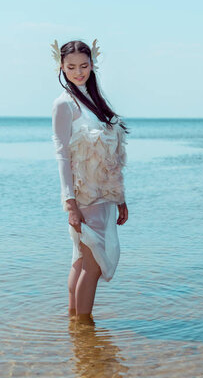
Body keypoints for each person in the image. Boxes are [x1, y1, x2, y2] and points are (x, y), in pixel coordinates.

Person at [51, 39, 129, 323]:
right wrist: (69, 202)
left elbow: (111, 154)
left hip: (104, 195)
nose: (78, 72)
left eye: (83, 66)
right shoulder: (64, 104)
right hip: (84, 196)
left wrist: (120, 197)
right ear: (61, 66)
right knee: (92, 265)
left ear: (92, 64)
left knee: (83, 260)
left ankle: (76, 327)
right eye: (71, 67)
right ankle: (85, 329)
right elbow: (62, 155)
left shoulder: (97, 100)